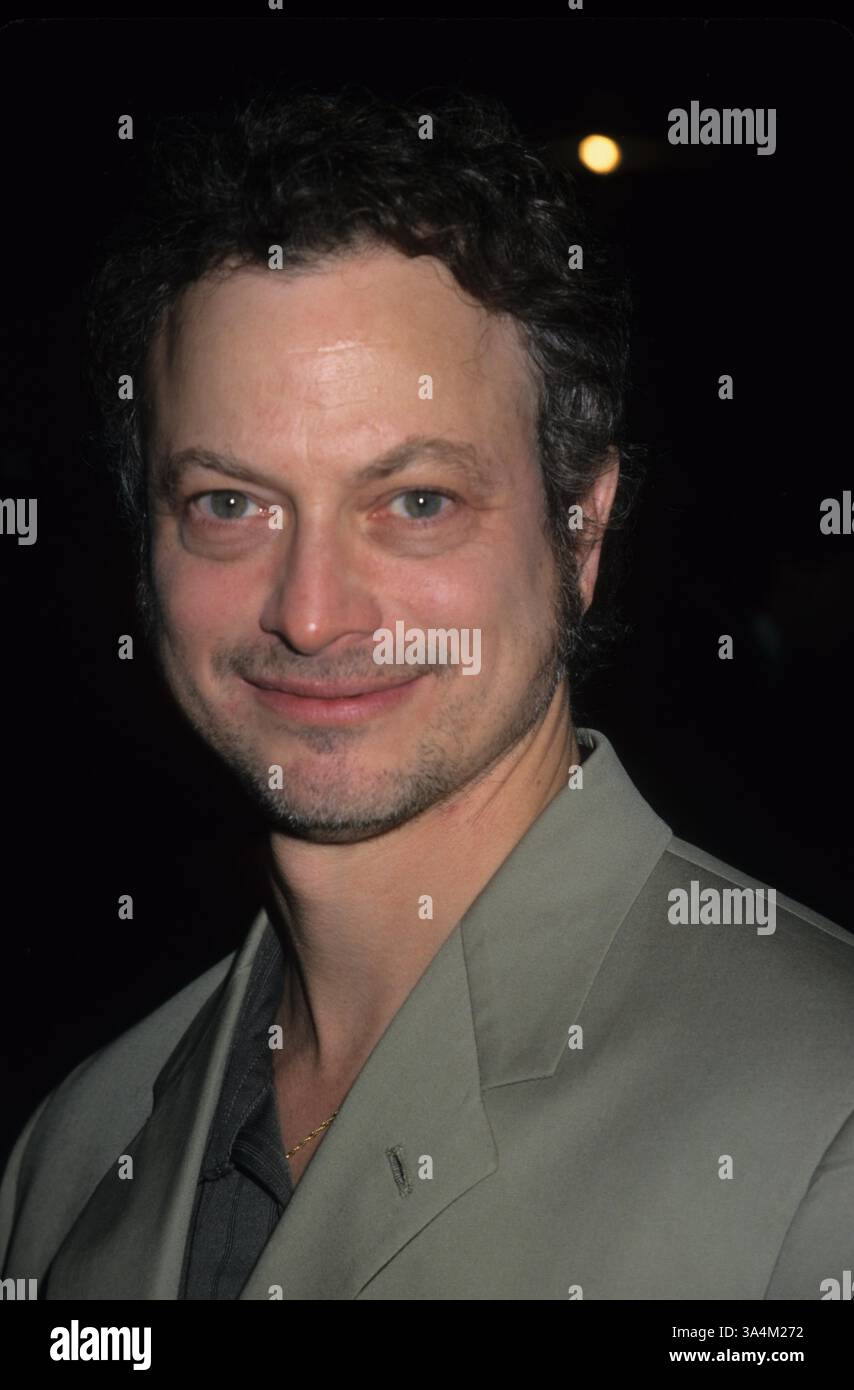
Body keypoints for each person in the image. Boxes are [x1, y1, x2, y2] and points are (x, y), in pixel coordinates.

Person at [2, 83, 853, 1302]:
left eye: (414, 502)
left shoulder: (822, 1132)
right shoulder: (66, 1157)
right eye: (229, 503)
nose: (310, 611)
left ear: (582, 528)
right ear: (148, 540)